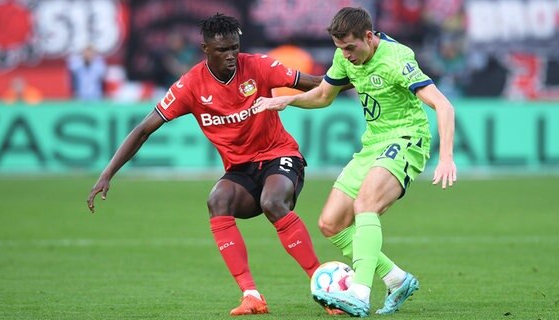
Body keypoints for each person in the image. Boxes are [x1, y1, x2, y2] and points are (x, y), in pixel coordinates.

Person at [86, 13, 338, 316]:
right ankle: (251, 296)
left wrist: (358, 80)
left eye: (234, 47)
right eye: (222, 50)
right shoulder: (191, 85)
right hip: (241, 169)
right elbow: (144, 129)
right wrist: (107, 173)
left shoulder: (258, 66)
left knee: (272, 202)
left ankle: (324, 287)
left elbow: (319, 85)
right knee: (217, 200)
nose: (231, 56)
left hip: (279, 155)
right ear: (205, 48)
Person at [255, 6, 457, 317]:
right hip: (372, 144)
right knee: (331, 224)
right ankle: (396, 279)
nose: (346, 55)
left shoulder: (397, 59)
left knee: (366, 205)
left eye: (350, 48)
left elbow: (443, 105)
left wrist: (446, 158)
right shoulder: (344, 56)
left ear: (368, 36)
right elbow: (323, 95)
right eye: (340, 48)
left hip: (406, 139)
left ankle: (359, 294)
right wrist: (289, 100)